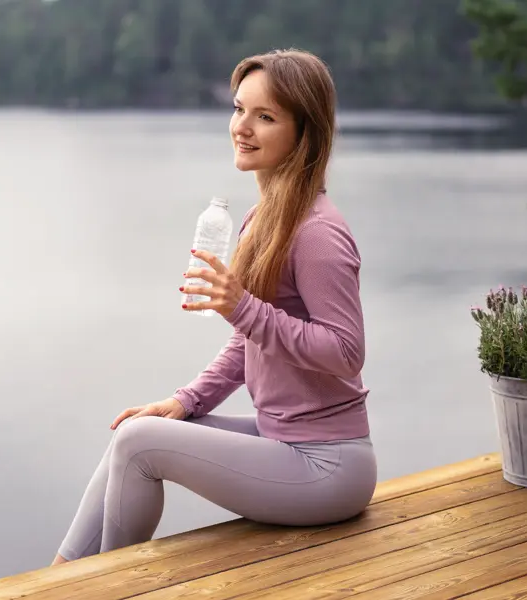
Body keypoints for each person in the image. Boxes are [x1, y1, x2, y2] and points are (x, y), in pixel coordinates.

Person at [52, 48, 375, 565]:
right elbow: (249, 343)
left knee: (140, 446)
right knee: (133, 436)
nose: (241, 127)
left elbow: (345, 352)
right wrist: (186, 402)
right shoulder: (264, 218)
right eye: (238, 108)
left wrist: (244, 307)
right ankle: (59, 582)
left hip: (328, 467)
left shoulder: (316, 232)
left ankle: (100, 588)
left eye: (264, 116)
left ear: (304, 132)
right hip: (285, 441)